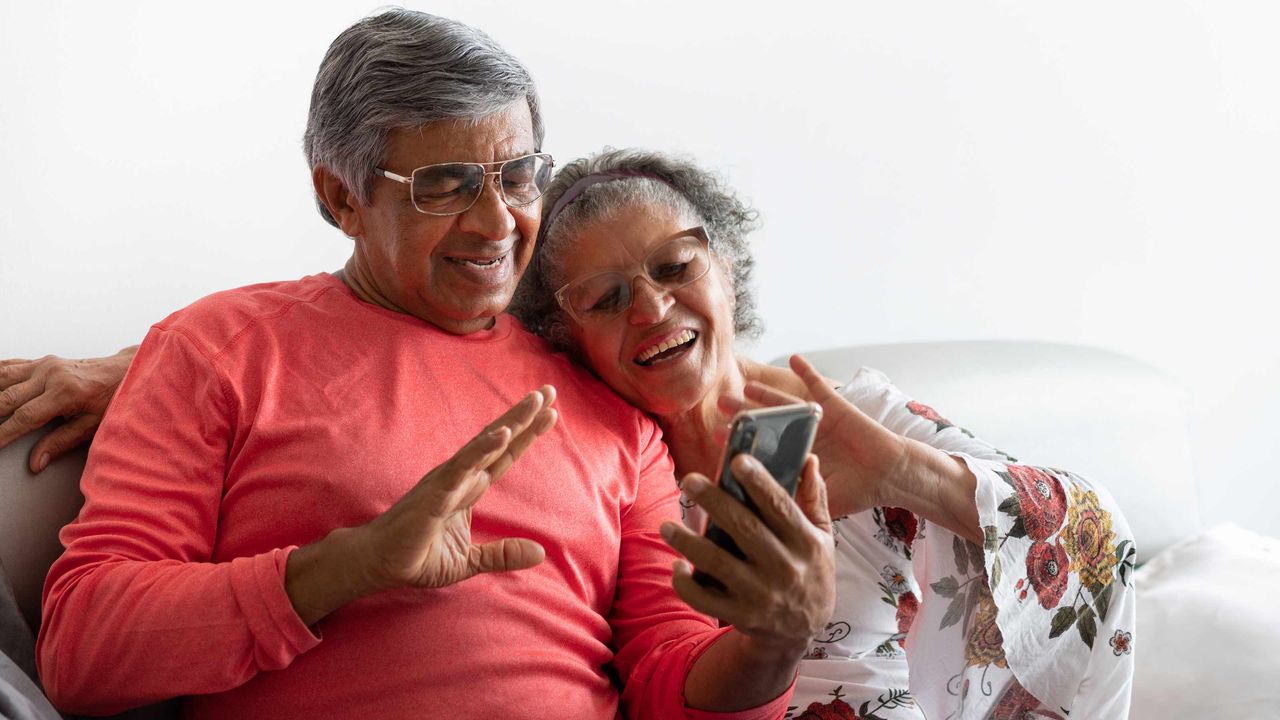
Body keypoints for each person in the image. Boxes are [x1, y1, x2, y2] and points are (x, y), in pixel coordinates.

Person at [5, 11, 838, 719]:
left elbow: (671, 673)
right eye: (444, 185)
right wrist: (345, 567)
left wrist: (775, 637)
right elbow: (81, 649)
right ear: (340, 199)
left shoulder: (605, 395)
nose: (498, 223)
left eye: (517, 176)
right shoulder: (215, 349)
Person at [506, 148, 1137, 719]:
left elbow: (1096, 532)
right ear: (565, 336)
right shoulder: (589, 478)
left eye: (675, 266)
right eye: (606, 299)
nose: (650, 308)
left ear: (724, 268)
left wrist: (901, 471)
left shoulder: (857, 413)